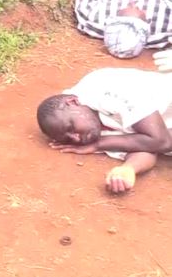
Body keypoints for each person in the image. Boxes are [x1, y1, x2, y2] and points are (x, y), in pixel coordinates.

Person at [37, 68, 172, 194]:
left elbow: (161, 141)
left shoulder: (105, 89)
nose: (76, 138)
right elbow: (145, 147)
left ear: (73, 102)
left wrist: (99, 144)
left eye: (71, 128)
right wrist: (128, 169)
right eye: (69, 139)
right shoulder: (92, 128)